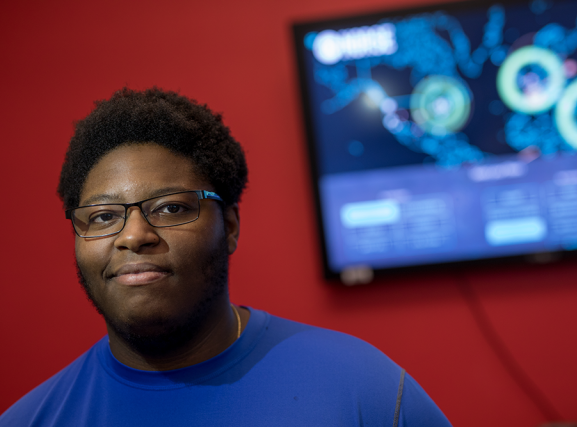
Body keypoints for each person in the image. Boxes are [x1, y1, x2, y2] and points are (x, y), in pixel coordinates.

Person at [0, 88, 451, 426]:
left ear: (230, 226)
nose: (134, 235)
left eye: (171, 207)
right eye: (101, 217)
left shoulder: (363, 390)